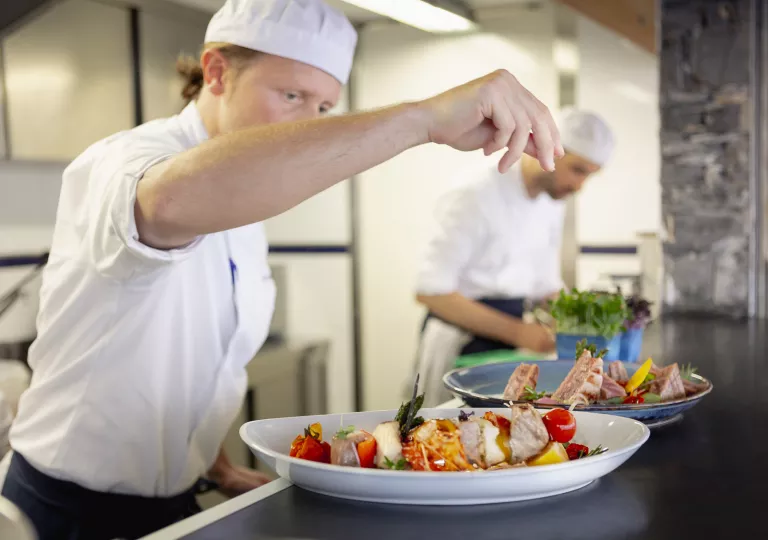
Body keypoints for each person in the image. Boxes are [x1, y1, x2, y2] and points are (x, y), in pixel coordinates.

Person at [0, 0, 564, 537]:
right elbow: (168, 203)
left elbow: (167, 347)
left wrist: (200, 458)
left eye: (322, 107)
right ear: (216, 72)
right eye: (291, 94)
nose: (307, 121)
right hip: (67, 512)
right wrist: (424, 119)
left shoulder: (244, 203)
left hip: (172, 498)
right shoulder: (125, 160)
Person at [414, 109, 615, 405]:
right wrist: (521, 333)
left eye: (589, 175)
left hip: (507, 341)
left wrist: (587, 323)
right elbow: (431, 292)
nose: (579, 187)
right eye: (578, 170)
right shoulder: (475, 194)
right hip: (460, 341)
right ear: (546, 150)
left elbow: (544, 285)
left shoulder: (550, 203)